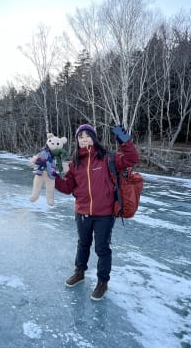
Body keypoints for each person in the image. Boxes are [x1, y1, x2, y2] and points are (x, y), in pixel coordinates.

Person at [54, 123, 140, 301]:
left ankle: (102, 282)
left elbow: (132, 159)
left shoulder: (108, 158)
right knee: (83, 244)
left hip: (105, 214)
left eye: (87, 135)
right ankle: (79, 272)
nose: (84, 139)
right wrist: (52, 177)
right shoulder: (75, 163)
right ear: (77, 140)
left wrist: (125, 142)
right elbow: (67, 187)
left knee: (102, 248)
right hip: (82, 212)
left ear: (94, 138)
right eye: (80, 136)